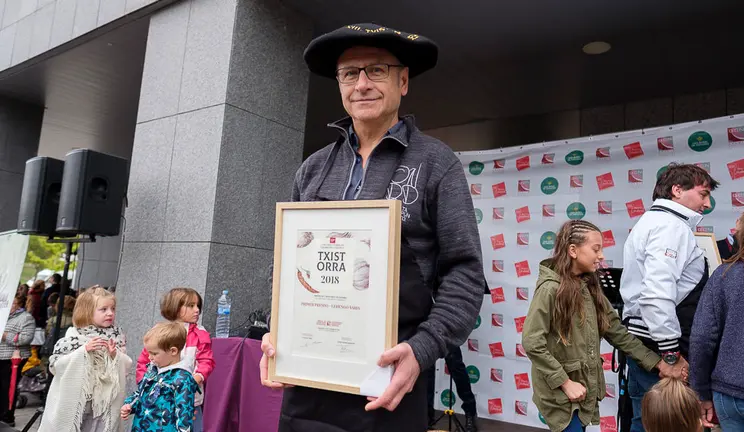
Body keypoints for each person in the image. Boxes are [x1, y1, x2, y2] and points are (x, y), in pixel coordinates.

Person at [259, 23, 485, 432]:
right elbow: (287, 265)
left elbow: (465, 273)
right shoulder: (312, 169)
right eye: (349, 73)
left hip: (392, 379)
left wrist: (422, 349)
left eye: (376, 70)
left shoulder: (437, 163)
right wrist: (280, 331)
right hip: (308, 382)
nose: (361, 84)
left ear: (403, 81)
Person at [523, 220, 681, 432]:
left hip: (583, 390)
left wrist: (659, 364)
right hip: (560, 394)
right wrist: (565, 383)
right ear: (573, 250)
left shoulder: (590, 288)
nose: (601, 256)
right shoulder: (550, 289)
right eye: (596, 249)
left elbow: (618, 334)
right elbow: (532, 342)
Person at [620, 163, 718, 432]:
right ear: (677, 190)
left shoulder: (655, 222)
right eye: (703, 194)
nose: (707, 203)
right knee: (666, 425)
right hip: (658, 349)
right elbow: (655, 294)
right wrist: (671, 355)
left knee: (648, 420)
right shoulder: (669, 226)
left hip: (649, 344)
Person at [689, 197, 744, 431]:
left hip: (727, 396)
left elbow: (701, 338)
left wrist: (701, 391)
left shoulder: (725, 274)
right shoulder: (725, 275)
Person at [39, 287, 132, 432]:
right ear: (86, 311)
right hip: (78, 402)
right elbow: (56, 367)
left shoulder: (117, 336)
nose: (110, 313)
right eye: (104, 309)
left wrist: (115, 356)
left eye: (113, 309)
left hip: (104, 403)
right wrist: (83, 351)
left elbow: (126, 367)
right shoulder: (73, 336)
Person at [136, 287, 214, 432]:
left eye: (198, 306)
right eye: (190, 306)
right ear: (175, 307)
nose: (196, 310)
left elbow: (206, 362)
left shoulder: (200, 334)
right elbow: (144, 362)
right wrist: (145, 386)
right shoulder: (160, 332)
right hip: (159, 399)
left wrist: (192, 381)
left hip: (188, 400)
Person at [121, 322, 198, 431]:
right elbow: (141, 393)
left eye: (154, 353)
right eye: (149, 353)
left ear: (173, 351)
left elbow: (184, 414)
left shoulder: (182, 378)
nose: (149, 357)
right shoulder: (153, 369)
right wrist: (129, 405)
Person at [0, 293, 36, 427]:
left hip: (13, 358)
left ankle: (7, 417)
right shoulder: (2, 315)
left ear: (18, 304)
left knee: (8, 387)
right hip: (1, 357)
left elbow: (25, 339)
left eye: (12, 303)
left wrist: (3, 335)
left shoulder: (26, 318)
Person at [426, 346, 478, 432]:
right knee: (427, 373)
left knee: (457, 367)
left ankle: (471, 413)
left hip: (446, 333)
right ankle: (427, 416)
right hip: (426, 334)